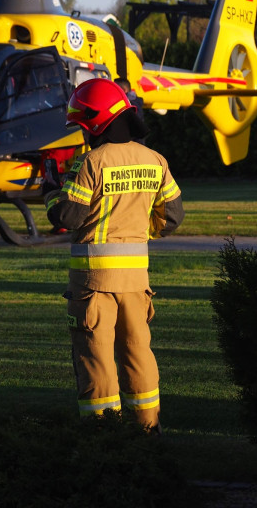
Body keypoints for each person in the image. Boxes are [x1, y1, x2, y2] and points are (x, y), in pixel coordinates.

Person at [44, 78, 184, 432]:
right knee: (138, 353)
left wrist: (50, 191)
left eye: (82, 127)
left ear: (94, 124)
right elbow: (173, 217)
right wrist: (139, 230)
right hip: (138, 283)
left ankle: (103, 436)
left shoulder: (91, 163)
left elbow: (67, 217)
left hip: (93, 286)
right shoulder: (156, 160)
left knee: (96, 358)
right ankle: (147, 430)